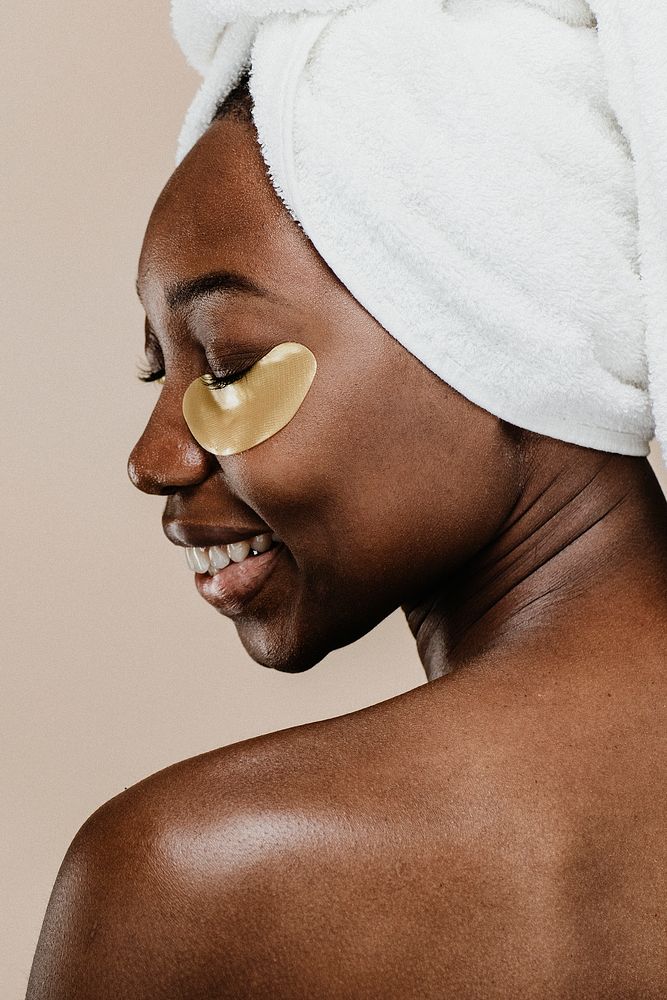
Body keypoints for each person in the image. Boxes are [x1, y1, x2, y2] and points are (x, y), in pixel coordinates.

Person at [27, 18, 667, 1000]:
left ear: (502, 333)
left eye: (230, 364)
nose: (153, 459)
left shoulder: (193, 878)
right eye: (159, 370)